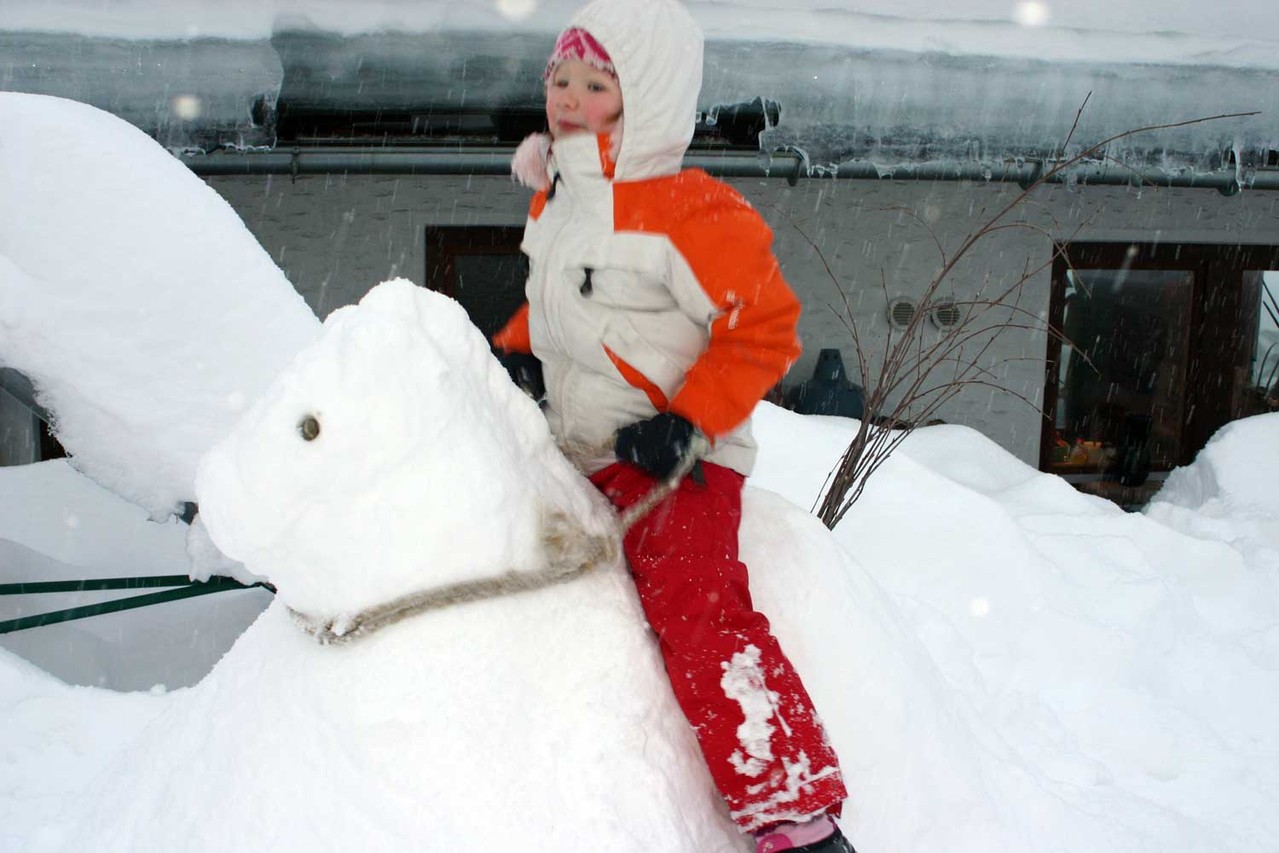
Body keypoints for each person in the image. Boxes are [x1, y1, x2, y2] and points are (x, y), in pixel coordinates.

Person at [494, 2, 852, 850]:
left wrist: (687, 422)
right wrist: (513, 352)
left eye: (595, 84)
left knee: (697, 611)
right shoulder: (558, 200)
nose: (569, 100)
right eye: (560, 80)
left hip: (675, 459)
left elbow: (762, 329)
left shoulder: (692, 212)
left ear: (644, 97)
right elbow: (565, 314)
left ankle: (794, 811)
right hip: (582, 450)